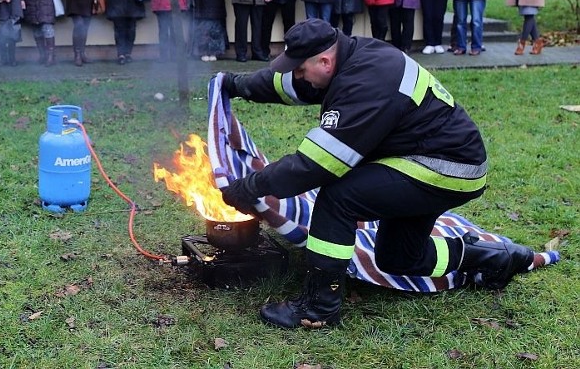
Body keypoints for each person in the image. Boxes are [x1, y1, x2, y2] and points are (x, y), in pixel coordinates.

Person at [218, 18, 533, 329]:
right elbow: (291, 83)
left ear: (325, 61)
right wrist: (236, 84)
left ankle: (317, 307)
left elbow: (317, 165)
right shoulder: (350, 56)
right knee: (399, 258)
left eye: (302, 69)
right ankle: (494, 257)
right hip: (431, 157)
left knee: (340, 197)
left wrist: (250, 187)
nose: (299, 76)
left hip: (446, 166)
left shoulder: (366, 83)